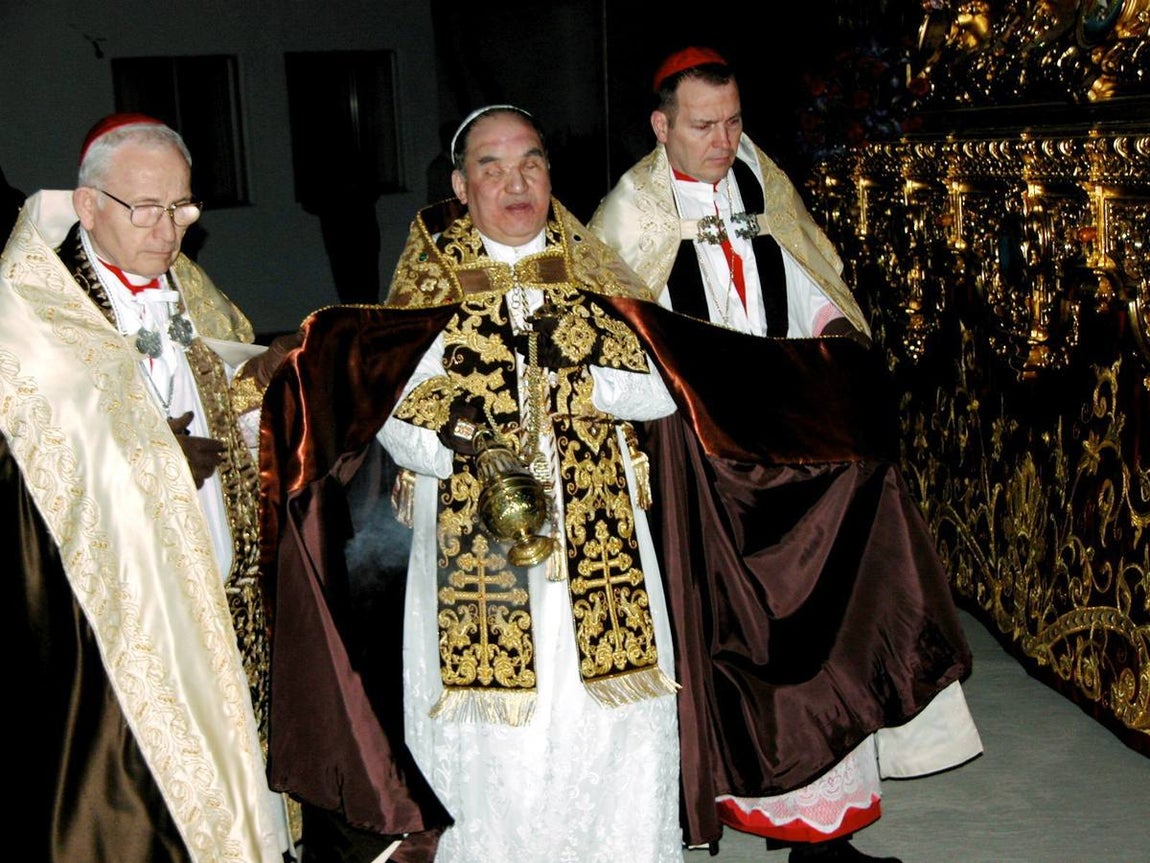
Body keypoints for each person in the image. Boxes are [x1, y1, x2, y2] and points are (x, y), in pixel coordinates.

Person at [258, 105, 684, 863]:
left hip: (600, 536)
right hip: (478, 541)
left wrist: (583, 378)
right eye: (492, 166)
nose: (516, 182)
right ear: (460, 185)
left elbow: (665, 381)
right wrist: (463, 443)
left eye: (531, 162)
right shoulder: (429, 280)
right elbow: (388, 408)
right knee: (497, 743)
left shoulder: (596, 266)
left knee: (609, 728)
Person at [589, 48, 984, 862]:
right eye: (704, 125)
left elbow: (811, 287)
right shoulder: (628, 218)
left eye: (734, 120)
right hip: (710, 463)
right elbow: (626, 342)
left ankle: (824, 836)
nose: (724, 140)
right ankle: (755, 801)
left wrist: (834, 333)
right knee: (747, 640)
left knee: (852, 575)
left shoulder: (763, 188)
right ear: (662, 126)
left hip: (795, 435)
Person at [2, 113, 299, 862]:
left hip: (215, 574)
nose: (169, 230)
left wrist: (260, 382)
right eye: (147, 208)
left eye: (182, 207)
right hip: (123, 607)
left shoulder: (186, 288)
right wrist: (149, 458)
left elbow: (217, 380)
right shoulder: (38, 312)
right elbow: (42, 440)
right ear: (89, 205)